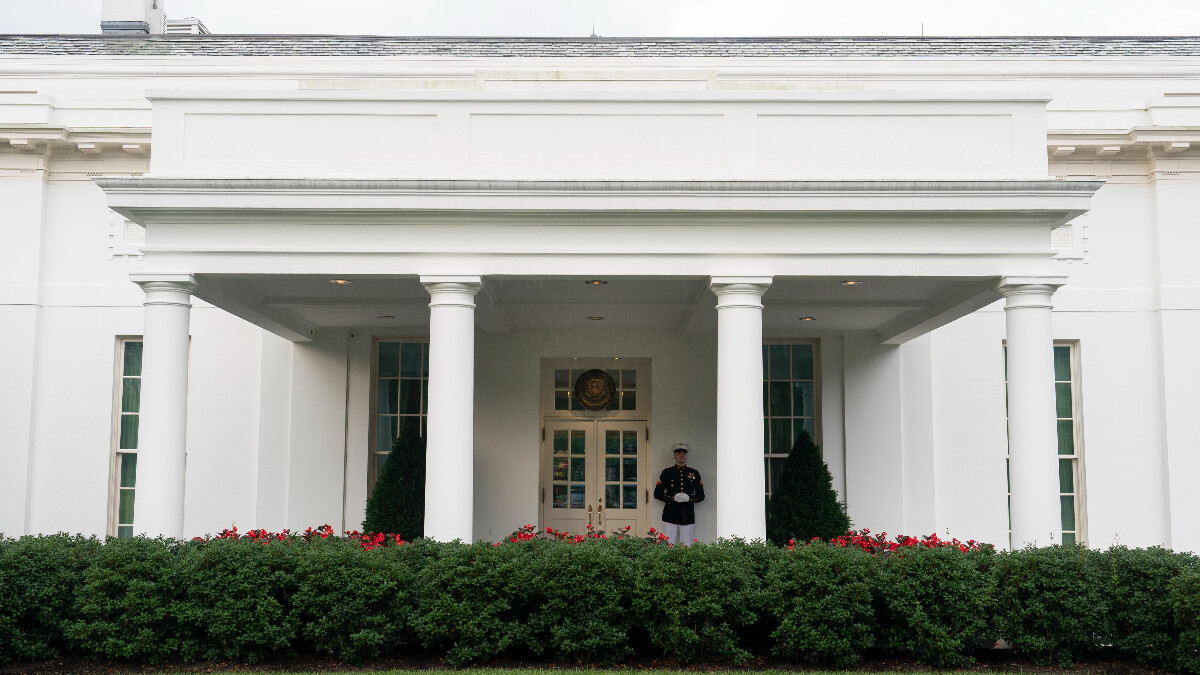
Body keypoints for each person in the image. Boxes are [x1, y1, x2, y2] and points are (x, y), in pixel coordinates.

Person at [653, 442, 705, 546]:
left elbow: (701, 495)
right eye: (678, 453)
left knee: (687, 546)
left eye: (684, 453)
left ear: (686, 456)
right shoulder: (667, 472)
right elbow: (657, 493)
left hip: (687, 514)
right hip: (670, 514)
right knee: (667, 545)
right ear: (674, 456)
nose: (681, 455)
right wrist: (672, 498)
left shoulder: (694, 473)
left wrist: (689, 498)